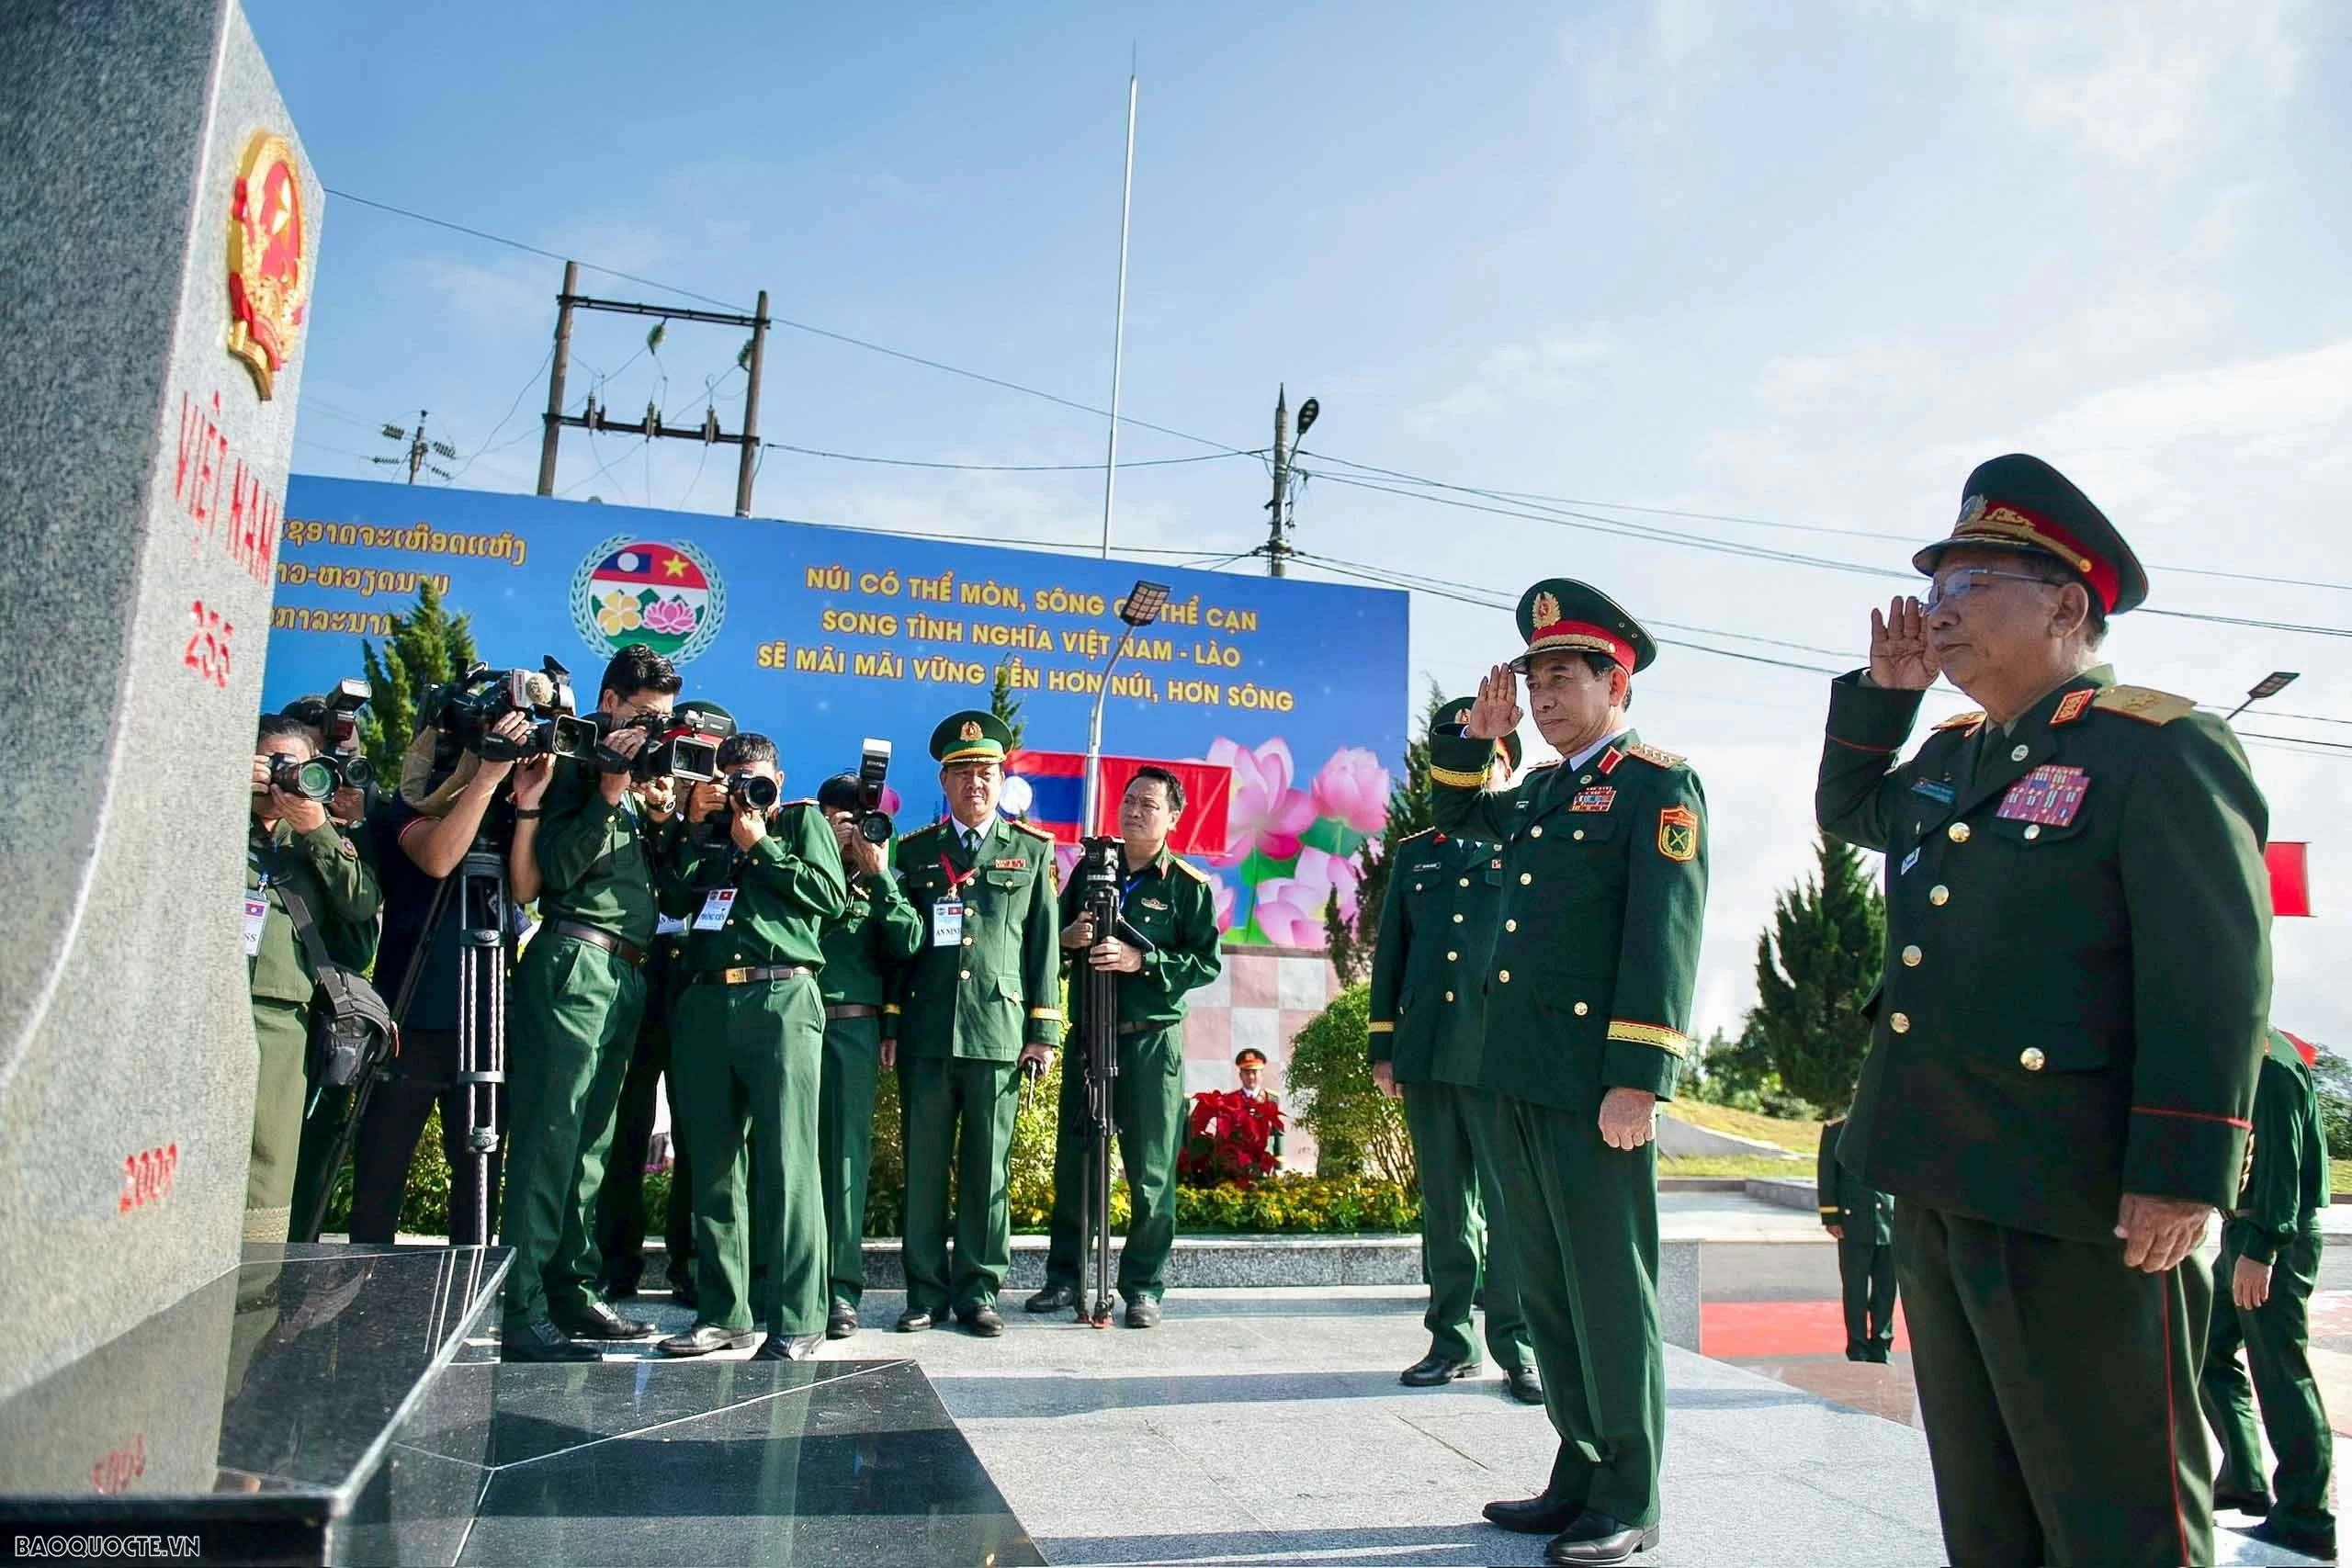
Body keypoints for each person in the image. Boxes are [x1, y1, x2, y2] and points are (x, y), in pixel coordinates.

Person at [1815, 454, 2271, 1567]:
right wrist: (1886, 696)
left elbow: (2211, 972)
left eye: (1970, 587)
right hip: (1938, 1174)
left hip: (2079, 1197)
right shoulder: (1952, 756)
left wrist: (2183, 1171)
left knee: (2119, 1517)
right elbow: (1853, 812)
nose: (1939, 612)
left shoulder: (2155, 748)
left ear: (2067, 607)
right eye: (1934, 589)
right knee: (1987, 1508)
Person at [1443, 579, 1709, 1568]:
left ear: (1616, 683)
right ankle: (1579, 1469)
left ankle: (1631, 1493)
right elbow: (1461, 822)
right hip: (1518, 1071)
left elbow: (1663, 937)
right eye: (1535, 680)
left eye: (1563, 678)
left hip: (1597, 1084)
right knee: (1544, 1285)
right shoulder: (1545, 790)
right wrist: (1478, 742)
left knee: (1607, 1289)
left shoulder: (1657, 785)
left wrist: (1639, 1076)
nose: (1545, 696)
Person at [498, 643, 683, 1362]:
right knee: (550, 1141)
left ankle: (569, 1289)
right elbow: (550, 872)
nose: (652, 730)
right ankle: (522, 1309)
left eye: (662, 719)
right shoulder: (573, 763)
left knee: (592, 1146)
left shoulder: (634, 780)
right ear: (608, 703)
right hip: (575, 961)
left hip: (625, 972)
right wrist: (607, 791)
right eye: (643, 715)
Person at [322, 711, 554, 1246]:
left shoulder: (503, 811)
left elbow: (524, 891)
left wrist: (526, 802)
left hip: (488, 1016)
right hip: (412, 1015)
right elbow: (440, 858)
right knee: (382, 1168)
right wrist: (486, 778)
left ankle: (469, 1281)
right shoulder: (405, 805)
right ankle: (369, 1280)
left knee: (478, 1172)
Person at [1367, 698, 1540, 1404]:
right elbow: (1392, 954)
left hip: (1499, 1055)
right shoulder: (1417, 854)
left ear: (1506, 768)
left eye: (1485, 757)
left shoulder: (1527, 842)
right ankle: (1450, 1340)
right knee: (1445, 1207)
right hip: (1429, 1050)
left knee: (1509, 1208)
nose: (1473, 773)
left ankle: (1518, 1345)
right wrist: (1384, 1048)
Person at [655, 732, 845, 1360]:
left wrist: (759, 844)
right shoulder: (706, 829)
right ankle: (724, 1312)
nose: (742, 789)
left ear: (778, 781)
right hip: (708, 999)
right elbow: (672, 896)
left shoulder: (800, 822)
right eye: (732, 777)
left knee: (789, 1162)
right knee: (710, 1164)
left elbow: (830, 896)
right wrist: (693, 824)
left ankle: (799, 1318)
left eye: (754, 778)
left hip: (780, 994)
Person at [881, 711, 1061, 1337]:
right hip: (927, 1032)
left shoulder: (1031, 850)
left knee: (988, 1171)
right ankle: (924, 1292)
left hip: (997, 1032)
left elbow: (1043, 947)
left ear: (1001, 778)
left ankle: (979, 1291)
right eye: (962, 772)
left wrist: (1043, 1032)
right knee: (924, 1168)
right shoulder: (914, 852)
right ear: (944, 780)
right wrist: (891, 1023)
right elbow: (898, 950)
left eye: (985, 771)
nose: (974, 783)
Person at [1028, 766, 1224, 1328]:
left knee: (1151, 1171)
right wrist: (1068, 939)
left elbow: (1206, 962)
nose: (1135, 811)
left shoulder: (1187, 886)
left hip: (1150, 1043)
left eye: (1149, 805)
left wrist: (1144, 961)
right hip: (1090, 1038)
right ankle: (1065, 1278)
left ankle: (1142, 1287)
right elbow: (1052, 940)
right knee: (1077, 1163)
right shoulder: (1092, 871)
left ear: (1173, 818)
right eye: (1130, 800)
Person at [244, 715, 381, 1243]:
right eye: (275, 764)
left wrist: (316, 827)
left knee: (267, 1168)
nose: (286, 779)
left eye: (300, 769)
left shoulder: (312, 843)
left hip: (283, 1022)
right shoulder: (212, 815)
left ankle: (256, 1287)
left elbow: (361, 904)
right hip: (207, 1006)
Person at [2200, 1025, 2334, 1561]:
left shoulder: (2270, 1063)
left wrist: (2261, 1250)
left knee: (2280, 1373)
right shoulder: (2249, 1048)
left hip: (2274, 1236)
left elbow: (2282, 1166)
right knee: (2205, 1347)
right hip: (2244, 1231)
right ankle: (2245, 1479)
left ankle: (2307, 1518)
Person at [812, 772, 925, 1339]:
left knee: (843, 1162)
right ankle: (778, 1281)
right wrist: (823, 855)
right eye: (841, 820)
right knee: (778, 1156)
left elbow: (909, 942)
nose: (853, 831)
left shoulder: (886, 879)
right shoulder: (799, 868)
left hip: (852, 1029)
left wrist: (877, 877)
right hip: (791, 1022)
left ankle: (839, 1291)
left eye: (861, 821)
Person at [592, 909, 695, 1306]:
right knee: (623, 1129)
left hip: (695, 968)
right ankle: (615, 1263)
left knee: (696, 1132)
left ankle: (692, 1265)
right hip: (638, 961)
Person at [1815, 1116, 1895, 1363]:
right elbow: (1827, 1174)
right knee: (1855, 1290)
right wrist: (1831, 1217)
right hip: (1853, 1223)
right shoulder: (1837, 1129)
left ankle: (1881, 1346)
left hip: (1889, 1224)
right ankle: (1858, 1348)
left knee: (1886, 1291)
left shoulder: (1894, 1126)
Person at [1233, 1047, 1283, 1164]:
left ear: (1262, 1075)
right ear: (1240, 1075)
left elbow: (1278, 1132)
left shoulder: (1271, 1099)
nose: (1251, 1077)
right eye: (1247, 1072)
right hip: (1239, 1161)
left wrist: (1279, 1162)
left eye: (1255, 1072)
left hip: (1264, 1159)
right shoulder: (1232, 1099)